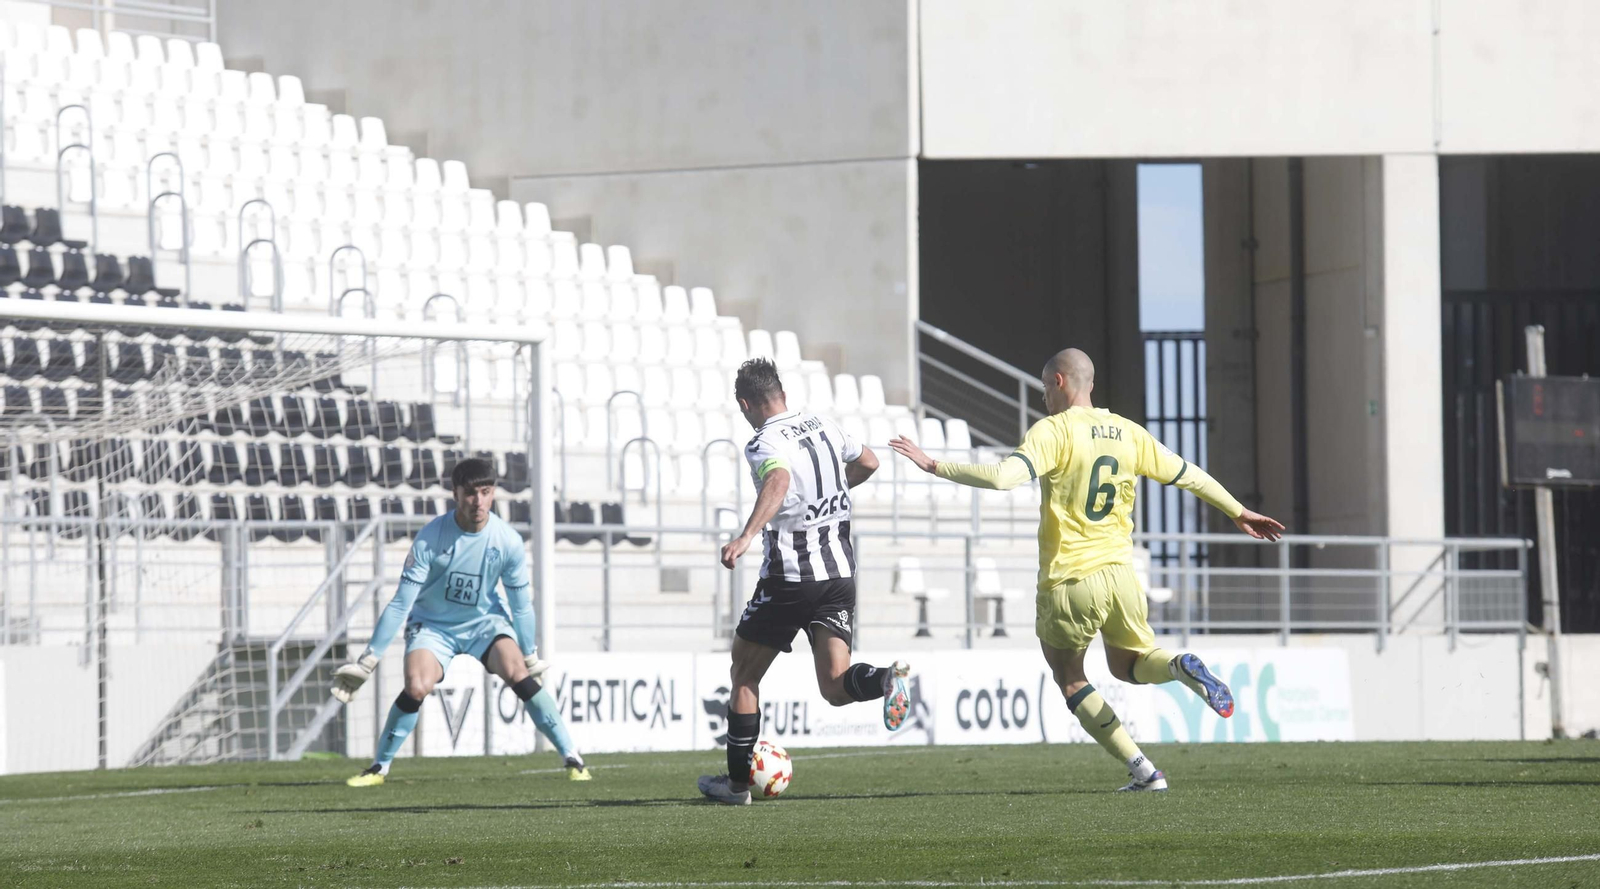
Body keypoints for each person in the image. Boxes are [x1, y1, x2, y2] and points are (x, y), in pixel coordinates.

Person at [888, 348, 1284, 792]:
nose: (1042, 398)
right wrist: (1237, 510)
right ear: (1089, 384)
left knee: (1070, 677)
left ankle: (1144, 771)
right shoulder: (1129, 433)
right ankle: (1177, 667)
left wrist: (934, 464)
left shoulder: (1053, 431)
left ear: (1059, 382)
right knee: (1129, 664)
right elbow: (1188, 474)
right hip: (1122, 576)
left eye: (1043, 388)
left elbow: (1002, 478)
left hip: (1070, 580)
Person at [697, 358, 912, 805]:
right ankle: (886, 680)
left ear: (746, 403)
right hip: (839, 574)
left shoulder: (763, 441)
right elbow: (869, 462)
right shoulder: (823, 423)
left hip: (791, 578)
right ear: (783, 394)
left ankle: (737, 786)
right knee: (835, 686)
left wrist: (746, 535)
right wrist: (828, 495)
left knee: (743, 675)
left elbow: (777, 479)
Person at [329, 457, 591, 785]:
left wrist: (530, 653)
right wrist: (367, 662)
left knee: (519, 674)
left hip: (485, 623)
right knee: (417, 686)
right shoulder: (430, 538)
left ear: (493, 493)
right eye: (470, 493)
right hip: (434, 625)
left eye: (485, 492)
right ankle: (379, 767)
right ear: (454, 493)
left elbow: (521, 606)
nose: (478, 501)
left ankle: (572, 757)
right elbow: (400, 603)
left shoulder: (507, 541)